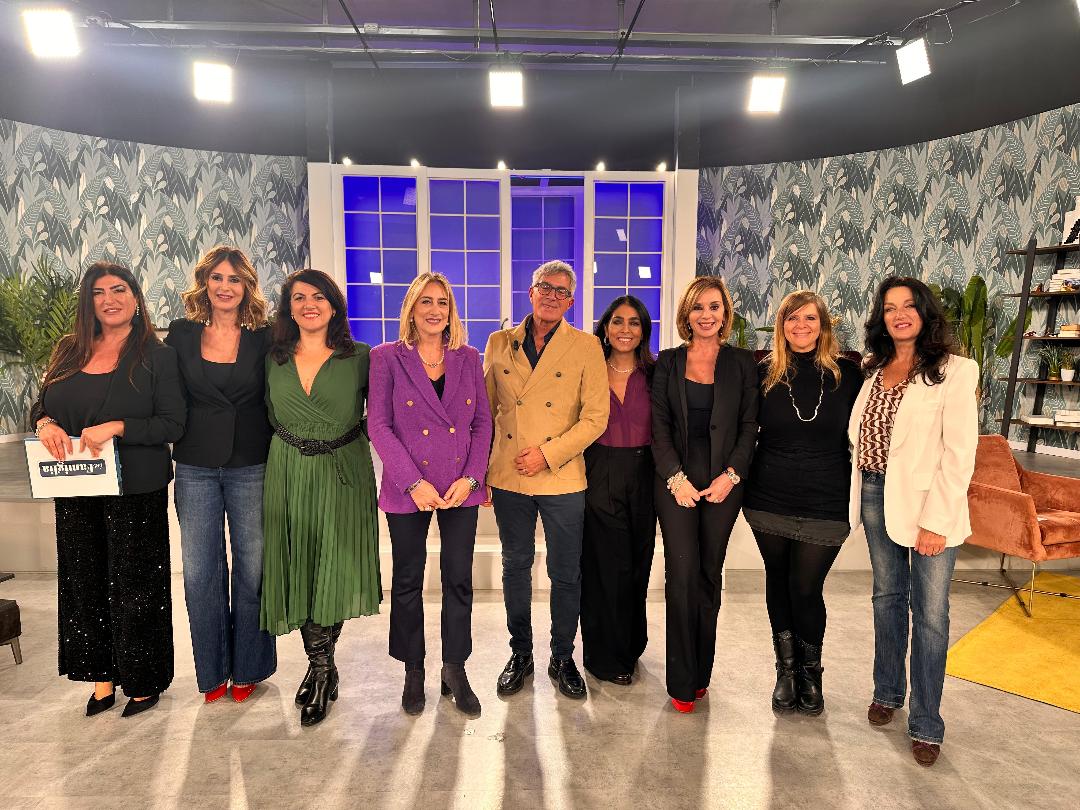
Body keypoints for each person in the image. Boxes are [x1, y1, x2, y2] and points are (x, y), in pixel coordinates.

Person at [32, 261, 186, 718]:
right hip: (75, 485)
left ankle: (142, 680)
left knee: (137, 586)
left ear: (135, 297)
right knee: (84, 583)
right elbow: (42, 405)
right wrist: (44, 424)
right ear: (89, 302)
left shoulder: (158, 355)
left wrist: (118, 426)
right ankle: (101, 678)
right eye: (98, 292)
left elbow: (173, 423)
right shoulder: (68, 350)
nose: (109, 299)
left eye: (118, 289)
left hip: (136, 486)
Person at [849, 276, 977, 768]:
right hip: (875, 495)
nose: (899, 315)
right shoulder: (873, 369)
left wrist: (937, 521)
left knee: (930, 615)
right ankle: (887, 691)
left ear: (925, 312)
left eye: (908, 306)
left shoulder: (956, 371)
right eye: (889, 308)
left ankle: (926, 723)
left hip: (930, 507)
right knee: (886, 598)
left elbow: (959, 454)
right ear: (881, 319)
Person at [368, 273, 492, 718]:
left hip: (459, 485)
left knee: (458, 578)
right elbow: (378, 424)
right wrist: (411, 481)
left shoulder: (468, 357)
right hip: (409, 486)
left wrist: (472, 478)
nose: (435, 310)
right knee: (407, 580)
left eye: (442, 302)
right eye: (426, 301)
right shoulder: (386, 357)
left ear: (451, 311)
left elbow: (482, 423)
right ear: (412, 308)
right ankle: (414, 668)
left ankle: (454, 668)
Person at [260, 269, 381, 727]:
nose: (309, 304)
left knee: (335, 565)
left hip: (342, 471)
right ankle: (322, 667)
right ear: (288, 308)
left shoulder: (361, 357)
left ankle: (320, 669)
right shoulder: (273, 358)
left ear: (334, 305)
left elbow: (383, 415)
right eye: (299, 297)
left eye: (318, 296)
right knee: (302, 567)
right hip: (288, 471)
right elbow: (267, 414)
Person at [483, 260, 609, 700]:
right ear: (531, 292)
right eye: (545, 287)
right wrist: (482, 472)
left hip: (562, 476)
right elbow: (486, 412)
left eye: (561, 291)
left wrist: (547, 454)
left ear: (570, 302)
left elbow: (596, 418)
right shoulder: (499, 342)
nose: (552, 296)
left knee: (565, 573)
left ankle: (562, 656)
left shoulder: (586, 346)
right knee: (515, 566)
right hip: (510, 474)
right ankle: (520, 653)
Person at [165, 246, 277, 704]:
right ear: (204, 283)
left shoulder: (266, 337)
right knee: (200, 573)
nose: (225, 286)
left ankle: (249, 666)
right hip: (195, 465)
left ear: (247, 286)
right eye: (217, 278)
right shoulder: (180, 334)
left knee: (253, 569)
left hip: (252, 463)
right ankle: (212, 672)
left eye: (234, 279)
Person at [742, 290, 862, 715]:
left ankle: (811, 673)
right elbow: (742, 430)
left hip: (827, 499)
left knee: (806, 588)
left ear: (823, 324)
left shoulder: (850, 374)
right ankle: (786, 672)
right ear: (781, 325)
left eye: (809, 318)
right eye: (792, 318)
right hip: (768, 497)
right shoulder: (763, 373)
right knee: (778, 581)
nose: (800, 326)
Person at [652, 275, 758, 713]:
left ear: (725, 313)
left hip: (723, 483)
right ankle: (681, 681)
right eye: (698, 307)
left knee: (709, 574)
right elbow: (658, 426)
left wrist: (731, 475)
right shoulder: (667, 362)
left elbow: (749, 426)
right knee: (681, 574)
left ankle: (701, 674)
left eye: (714, 307)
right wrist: (674, 477)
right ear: (687, 314)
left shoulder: (743, 363)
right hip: (674, 483)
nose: (706, 315)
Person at [580, 295, 657, 686]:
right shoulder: (587, 368)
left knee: (637, 565)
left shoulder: (656, 373)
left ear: (643, 330)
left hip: (646, 474)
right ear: (605, 328)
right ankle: (602, 655)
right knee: (604, 567)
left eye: (634, 322)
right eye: (617, 322)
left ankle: (630, 646)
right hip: (598, 470)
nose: (625, 330)